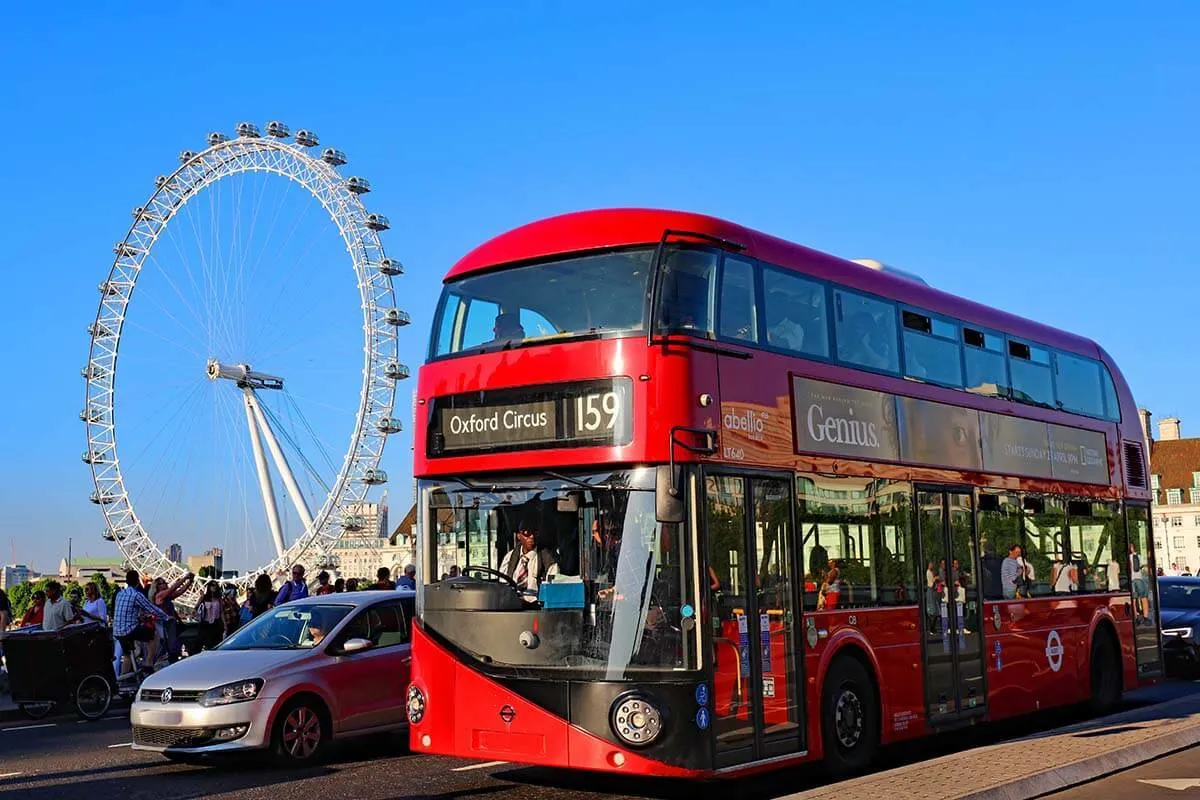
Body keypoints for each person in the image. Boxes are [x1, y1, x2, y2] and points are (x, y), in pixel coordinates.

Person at [114, 569, 169, 677]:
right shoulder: (136, 595)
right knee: (154, 635)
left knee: (127, 655)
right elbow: (150, 608)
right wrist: (166, 616)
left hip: (117, 631)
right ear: (137, 581)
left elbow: (125, 613)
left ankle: (122, 681)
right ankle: (148, 663)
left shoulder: (120, 594)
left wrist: (139, 618)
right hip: (129, 630)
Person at [498, 521, 558, 596]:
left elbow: (552, 588)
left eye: (535, 533)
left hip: (536, 605)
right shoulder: (510, 557)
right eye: (527, 533)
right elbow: (502, 584)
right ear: (519, 535)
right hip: (513, 603)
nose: (532, 536)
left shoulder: (548, 559)